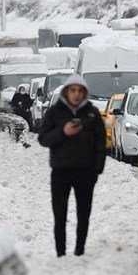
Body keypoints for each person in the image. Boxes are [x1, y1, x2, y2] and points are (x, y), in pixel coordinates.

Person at [37, 75, 105, 257]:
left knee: (84, 214)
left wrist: (96, 170)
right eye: (73, 90)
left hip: (86, 173)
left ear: (85, 93)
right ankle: (60, 253)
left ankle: (79, 250)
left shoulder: (92, 113)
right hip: (61, 172)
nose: (76, 94)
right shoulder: (54, 112)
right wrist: (63, 132)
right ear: (66, 92)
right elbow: (43, 139)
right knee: (60, 215)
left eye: (80, 91)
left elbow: (101, 143)